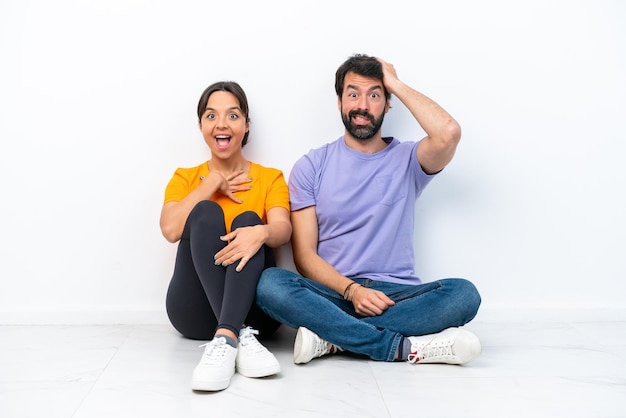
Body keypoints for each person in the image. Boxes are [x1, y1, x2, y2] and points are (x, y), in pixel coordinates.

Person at [255, 54, 482, 366]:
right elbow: (305, 258)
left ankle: (333, 339)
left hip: (396, 297)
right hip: (333, 294)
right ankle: (395, 346)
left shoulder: (409, 160)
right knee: (270, 285)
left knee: (464, 295)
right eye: (353, 94)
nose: (362, 105)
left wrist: (396, 84)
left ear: (388, 104)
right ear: (339, 102)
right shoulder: (311, 166)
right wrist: (351, 291)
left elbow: (449, 133)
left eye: (374, 95)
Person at [160, 81, 292, 391]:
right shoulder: (186, 178)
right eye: (211, 116)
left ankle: (228, 334)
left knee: (249, 221)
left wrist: (260, 232)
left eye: (233, 115)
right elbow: (169, 230)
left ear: (246, 125)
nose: (222, 124)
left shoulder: (269, 177)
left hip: (257, 316)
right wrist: (212, 183)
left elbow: (283, 229)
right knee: (205, 213)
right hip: (193, 312)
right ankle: (234, 333)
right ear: (201, 125)